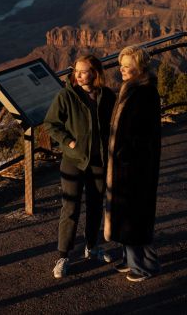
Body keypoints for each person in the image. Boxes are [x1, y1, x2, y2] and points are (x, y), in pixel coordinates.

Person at [44, 54, 116, 279]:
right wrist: (69, 142)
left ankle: (92, 246)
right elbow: (51, 124)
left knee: (95, 205)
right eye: (77, 71)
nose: (79, 75)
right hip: (73, 160)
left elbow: (114, 123)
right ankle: (63, 256)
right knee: (71, 207)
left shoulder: (107, 95)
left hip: (99, 161)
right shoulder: (66, 95)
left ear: (95, 73)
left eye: (84, 71)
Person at [105, 45, 162, 282]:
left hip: (136, 166)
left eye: (127, 66)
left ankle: (143, 266)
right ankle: (130, 260)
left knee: (135, 215)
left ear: (140, 67)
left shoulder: (145, 92)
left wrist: (124, 154)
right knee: (127, 212)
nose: (122, 69)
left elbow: (144, 133)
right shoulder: (132, 87)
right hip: (126, 164)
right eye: (121, 65)